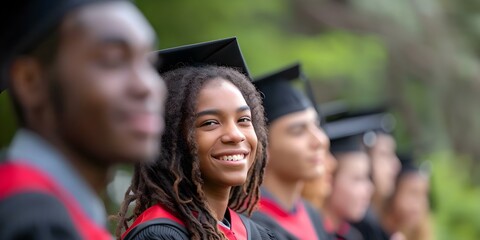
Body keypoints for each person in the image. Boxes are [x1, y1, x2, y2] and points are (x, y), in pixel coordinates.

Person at [0, 1, 166, 239]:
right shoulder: (33, 224)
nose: (148, 86)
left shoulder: (65, 216)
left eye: (149, 64)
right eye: (113, 59)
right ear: (30, 81)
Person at [116, 38, 275, 240]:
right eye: (210, 123)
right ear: (169, 141)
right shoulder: (158, 236)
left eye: (243, 119)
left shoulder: (257, 234)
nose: (235, 135)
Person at [250, 63, 331, 240]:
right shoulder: (253, 226)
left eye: (316, 125)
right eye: (298, 131)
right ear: (262, 146)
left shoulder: (311, 214)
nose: (319, 141)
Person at [321, 114, 381, 240]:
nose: (369, 188)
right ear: (329, 178)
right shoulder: (310, 233)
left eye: (368, 177)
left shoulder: (352, 235)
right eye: (357, 179)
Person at [381, 153, 433, 240]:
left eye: (425, 195)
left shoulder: (422, 233)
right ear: (395, 191)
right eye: (413, 193)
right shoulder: (376, 229)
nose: (421, 202)